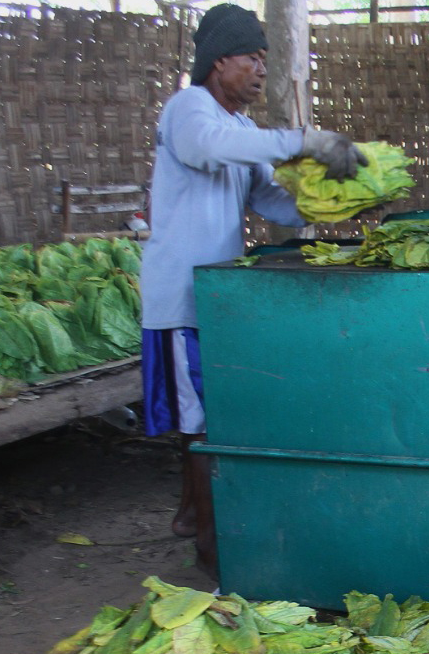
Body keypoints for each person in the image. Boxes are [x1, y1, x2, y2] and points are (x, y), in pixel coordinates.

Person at [140, 2, 365, 573]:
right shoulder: (189, 110)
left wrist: (346, 198)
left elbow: (273, 203)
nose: (261, 70)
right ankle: (212, 550)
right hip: (182, 300)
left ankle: (192, 517)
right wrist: (306, 141)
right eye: (253, 58)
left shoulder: (239, 129)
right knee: (204, 424)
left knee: (207, 418)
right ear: (219, 62)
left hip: (217, 298)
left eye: (266, 60)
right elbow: (208, 149)